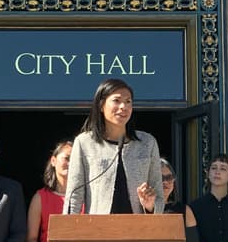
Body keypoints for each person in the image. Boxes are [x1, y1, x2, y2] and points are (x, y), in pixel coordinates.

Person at [63, 78, 164, 215]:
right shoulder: (84, 143)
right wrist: (68, 230)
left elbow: (158, 195)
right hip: (98, 231)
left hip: (139, 231)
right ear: (101, 105)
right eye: (117, 100)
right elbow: (74, 196)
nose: (123, 106)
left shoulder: (147, 143)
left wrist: (150, 205)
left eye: (128, 101)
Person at [25, 140, 75, 242]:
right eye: (67, 158)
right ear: (53, 161)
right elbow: (30, 241)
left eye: (75, 158)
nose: (71, 162)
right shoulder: (40, 197)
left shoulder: (88, 197)